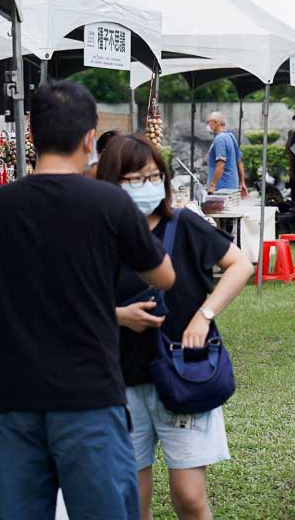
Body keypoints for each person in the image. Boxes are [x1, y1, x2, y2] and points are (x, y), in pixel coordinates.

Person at [0, 79, 175, 520]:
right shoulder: (109, 203)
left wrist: (22, 310)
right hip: (89, 394)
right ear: (91, 137)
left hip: (15, 396)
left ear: (31, 132)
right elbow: (164, 275)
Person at [99, 134, 252, 520]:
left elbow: (240, 266)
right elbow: (75, 302)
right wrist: (120, 316)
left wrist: (205, 315)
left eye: (153, 176)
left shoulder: (184, 224)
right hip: (120, 376)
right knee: (133, 499)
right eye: (132, 180)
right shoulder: (100, 237)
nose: (145, 186)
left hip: (185, 372)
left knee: (189, 497)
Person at [206, 111, 247, 198]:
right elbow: (239, 161)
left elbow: (220, 164)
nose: (208, 125)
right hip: (233, 186)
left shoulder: (220, 139)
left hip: (221, 189)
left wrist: (212, 185)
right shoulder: (231, 136)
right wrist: (242, 182)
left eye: (209, 122)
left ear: (215, 122)